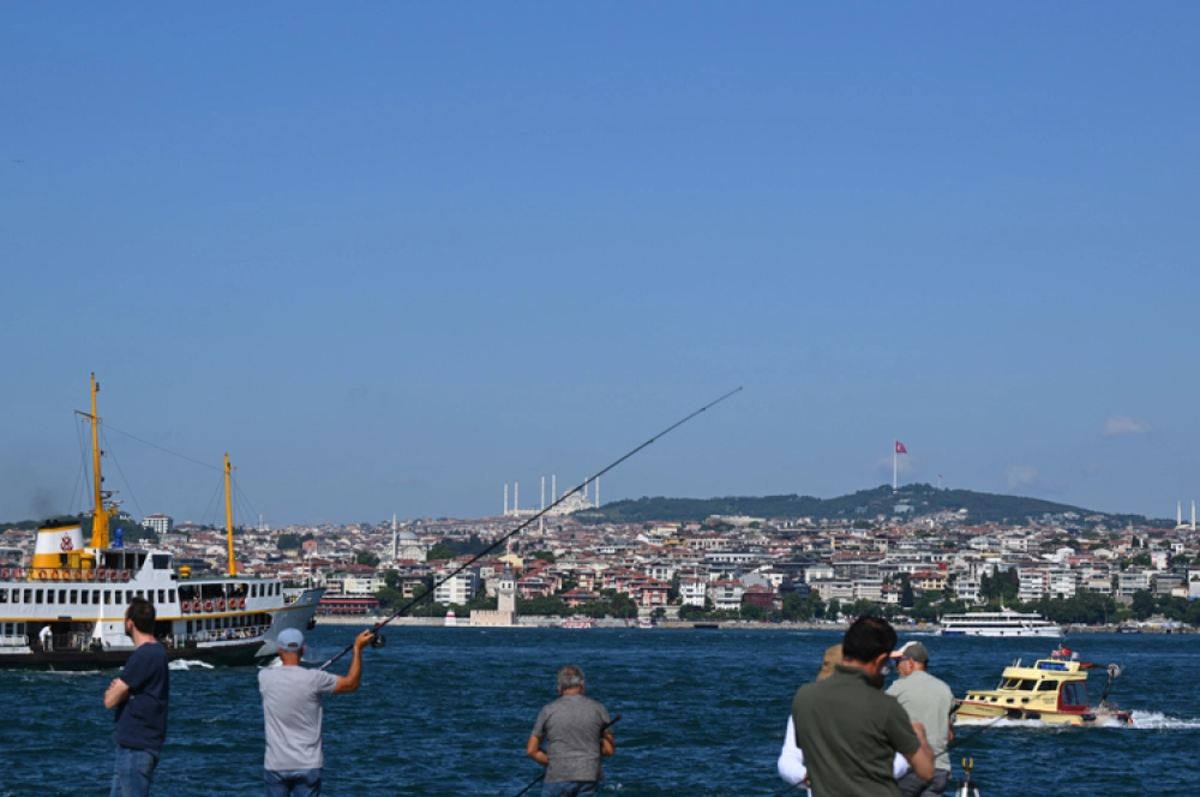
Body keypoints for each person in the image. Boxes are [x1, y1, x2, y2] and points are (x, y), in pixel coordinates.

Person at [791, 616, 935, 797]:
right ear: (880, 659)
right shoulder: (886, 706)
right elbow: (926, 771)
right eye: (886, 665)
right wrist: (919, 735)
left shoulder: (805, 698)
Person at [778, 644, 910, 794]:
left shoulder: (880, 710)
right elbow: (788, 759)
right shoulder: (805, 713)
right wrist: (804, 775)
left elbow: (901, 760)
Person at [258, 627, 374, 797]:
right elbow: (351, 683)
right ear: (303, 650)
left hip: (276, 764)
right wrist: (357, 649)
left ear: (279, 650)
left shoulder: (264, 677)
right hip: (308, 763)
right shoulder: (315, 679)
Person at [104, 597, 169, 797]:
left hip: (136, 747)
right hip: (138, 745)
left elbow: (109, 701)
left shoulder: (144, 655)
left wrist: (118, 688)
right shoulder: (156, 652)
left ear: (130, 623)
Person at [526, 664, 616, 797]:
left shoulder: (548, 711)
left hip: (557, 776)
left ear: (559, 689)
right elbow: (609, 750)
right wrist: (589, 750)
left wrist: (554, 762)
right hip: (588, 776)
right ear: (582, 685)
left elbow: (531, 750)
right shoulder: (598, 709)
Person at [887, 641, 955, 797]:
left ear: (910, 662)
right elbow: (950, 736)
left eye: (898, 662)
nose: (896, 667)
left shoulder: (898, 688)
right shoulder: (945, 689)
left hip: (909, 772)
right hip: (939, 771)